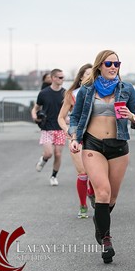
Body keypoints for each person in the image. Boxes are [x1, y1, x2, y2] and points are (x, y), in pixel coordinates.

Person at [68, 50, 135, 264]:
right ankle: (106, 239)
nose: (114, 67)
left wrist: (133, 117)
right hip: (93, 144)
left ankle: (100, 222)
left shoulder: (127, 89)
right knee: (102, 192)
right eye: (109, 63)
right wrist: (75, 137)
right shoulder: (86, 90)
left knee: (111, 198)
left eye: (117, 63)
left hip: (118, 146)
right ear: (99, 66)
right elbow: (74, 118)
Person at [57, 63, 96, 219]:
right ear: (81, 77)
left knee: (94, 173)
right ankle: (83, 205)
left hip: (95, 137)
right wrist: (68, 131)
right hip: (76, 137)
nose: (91, 77)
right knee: (83, 172)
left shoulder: (100, 93)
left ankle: (92, 192)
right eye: (87, 74)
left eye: (93, 74)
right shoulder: (72, 94)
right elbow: (60, 117)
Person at [31, 68, 66, 186]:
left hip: (60, 128)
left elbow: (70, 110)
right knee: (49, 153)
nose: (62, 79)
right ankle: (43, 159)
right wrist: (34, 116)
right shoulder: (43, 93)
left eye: (63, 77)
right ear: (53, 78)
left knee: (58, 154)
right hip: (47, 128)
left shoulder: (65, 93)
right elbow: (35, 108)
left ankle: (53, 176)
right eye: (60, 77)